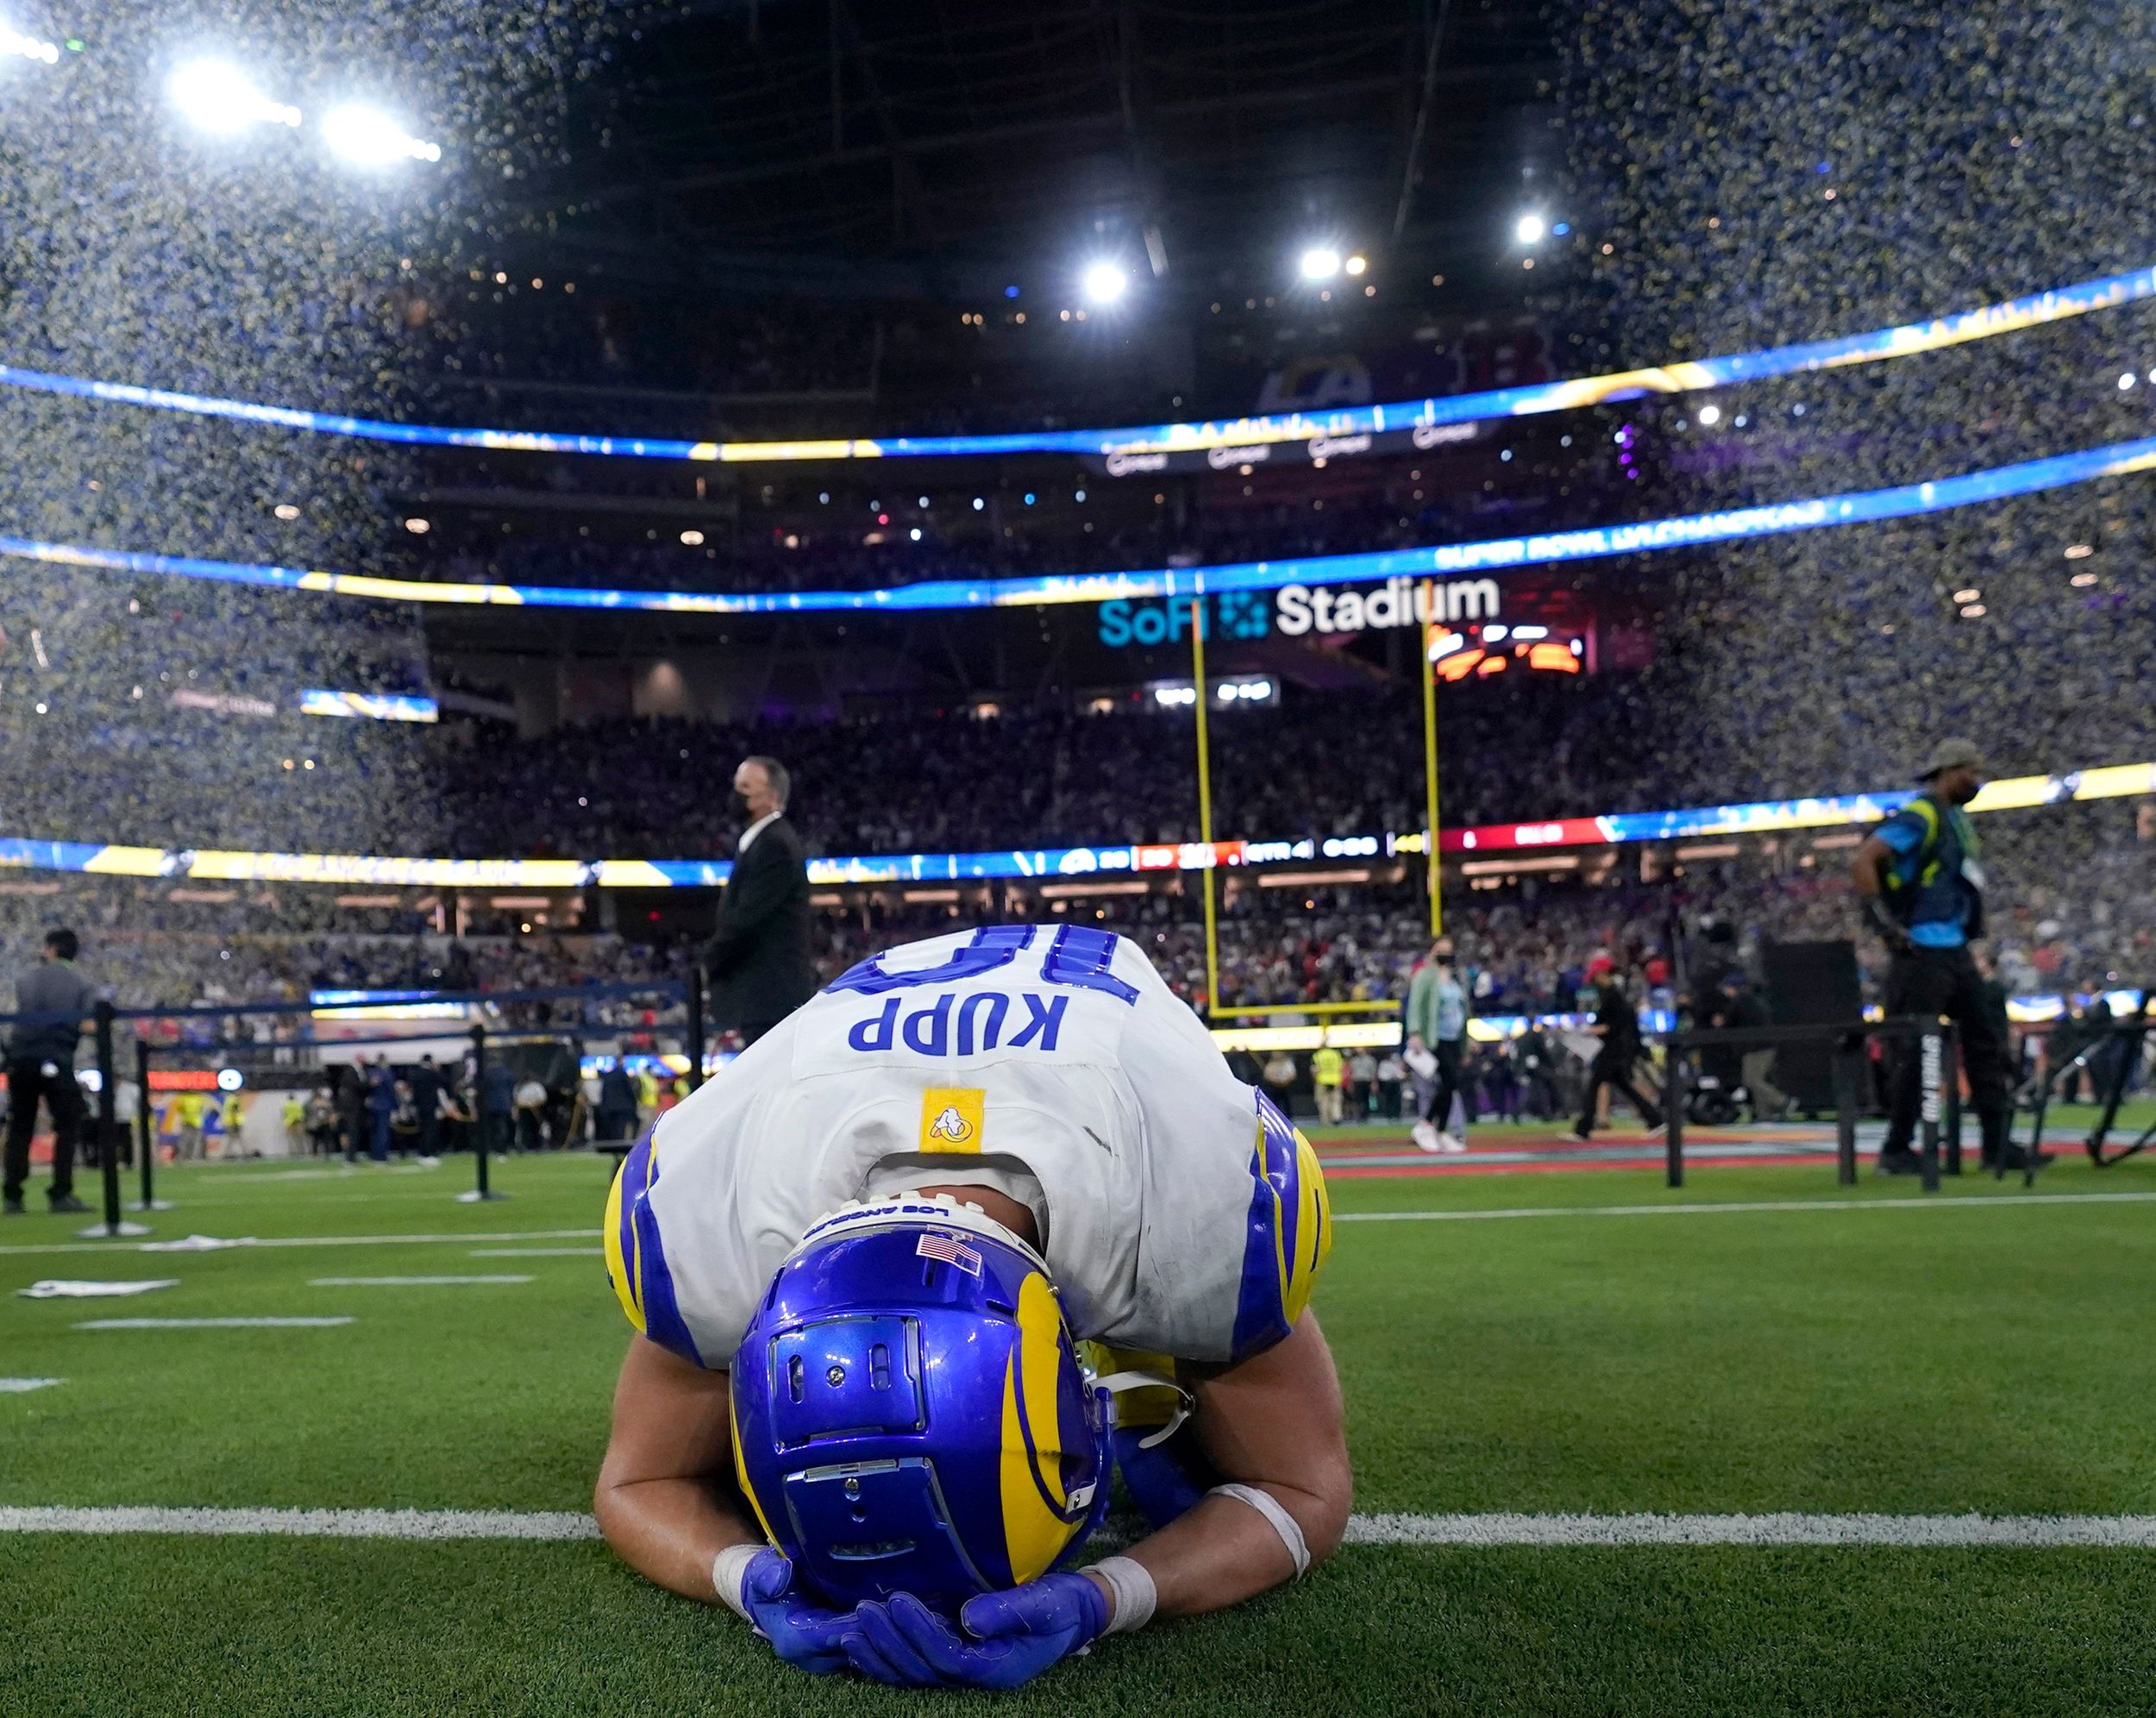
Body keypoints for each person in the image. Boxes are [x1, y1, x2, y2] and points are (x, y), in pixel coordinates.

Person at [593, 925, 1349, 1690]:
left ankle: (1144, 1382)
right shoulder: (720, 1223)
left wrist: (1103, 1600)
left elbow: (1304, 1489)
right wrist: (749, 1582)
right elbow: (635, 1481)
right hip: (875, 1059)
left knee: (1183, 1432)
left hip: (1092, 1038)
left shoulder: (1189, 1202)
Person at [1852, 737, 2029, 1174]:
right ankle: (1896, 1150)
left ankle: (1996, 1145)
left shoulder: (1956, 819)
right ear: (1948, 772)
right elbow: (1865, 860)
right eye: (1971, 771)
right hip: (1922, 952)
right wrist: (1886, 928)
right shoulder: (1922, 814)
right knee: (1917, 1051)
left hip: (1952, 949)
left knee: (1985, 1045)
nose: (1977, 780)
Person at [703, 756, 816, 1049]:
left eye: (745, 787)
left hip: (771, 997)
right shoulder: (760, 840)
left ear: (772, 797)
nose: (736, 794)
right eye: (736, 785)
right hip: (763, 996)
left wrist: (710, 959)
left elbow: (748, 918)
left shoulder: (774, 845)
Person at [3, 927, 97, 1216]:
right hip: (58, 1057)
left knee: (20, 1126)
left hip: (22, 1059)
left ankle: (13, 1196)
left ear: (52, 949)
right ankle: (61, 1193)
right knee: (67, 1125)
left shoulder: (26, 978)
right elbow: (89, 1025)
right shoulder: (83, 984)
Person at [1571, 955, 1664, 1140]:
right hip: (1616, 1048)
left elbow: (1615, 1024)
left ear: (1601, 974)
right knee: (1624, 1087)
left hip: (1613, 1049)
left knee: (1594, 1086)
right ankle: (1655, 1120)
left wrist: (1591, 1031)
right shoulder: (1613, 993)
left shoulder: (1613, 995)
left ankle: (1583, 1129)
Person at [1405, 935, 1469, 1154]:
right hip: (1435, 1037)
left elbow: (1463, 1008)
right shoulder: (1425, 975)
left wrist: (1466, 1041)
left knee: (1451, 1085)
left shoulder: (1455, 977)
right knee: (1449, 1081)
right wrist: (1415, 1032)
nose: (1445, 954)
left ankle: (1439, 1130)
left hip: (1453, 1037)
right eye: (1441, 949)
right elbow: (1415, 1004)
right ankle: (1427, 1125)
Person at [596, 1062, 641, 1144]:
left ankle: (613, 1146)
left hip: (609, 1107)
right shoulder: (623, 1075)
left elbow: (604, 1093)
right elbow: (629, 1091)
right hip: (623, 1107)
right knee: (620, 1128)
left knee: (612, 1129)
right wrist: (634, 1104)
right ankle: (620, 1146)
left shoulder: (608, 1077)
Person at [364, 1056, 397, 1163]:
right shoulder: (387, 1073)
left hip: (373, 1105)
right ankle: (381, 1156)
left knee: (375, 1132)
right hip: (384, 1105)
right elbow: (391, 1091)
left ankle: (374, 1154)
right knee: (383, 1132)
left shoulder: (371, 1073)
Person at [1310, 1038, 1345, 1125]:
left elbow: (1314, 1070)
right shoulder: (1336, 1054)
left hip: (1322, 1080)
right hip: (1335, 1080)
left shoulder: (1317, 1055)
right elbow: (1341, 1067)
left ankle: (1326, 1120)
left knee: (1323, 1101)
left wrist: (1315, 1079)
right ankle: (1337, 1118)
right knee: (1336, 1101)